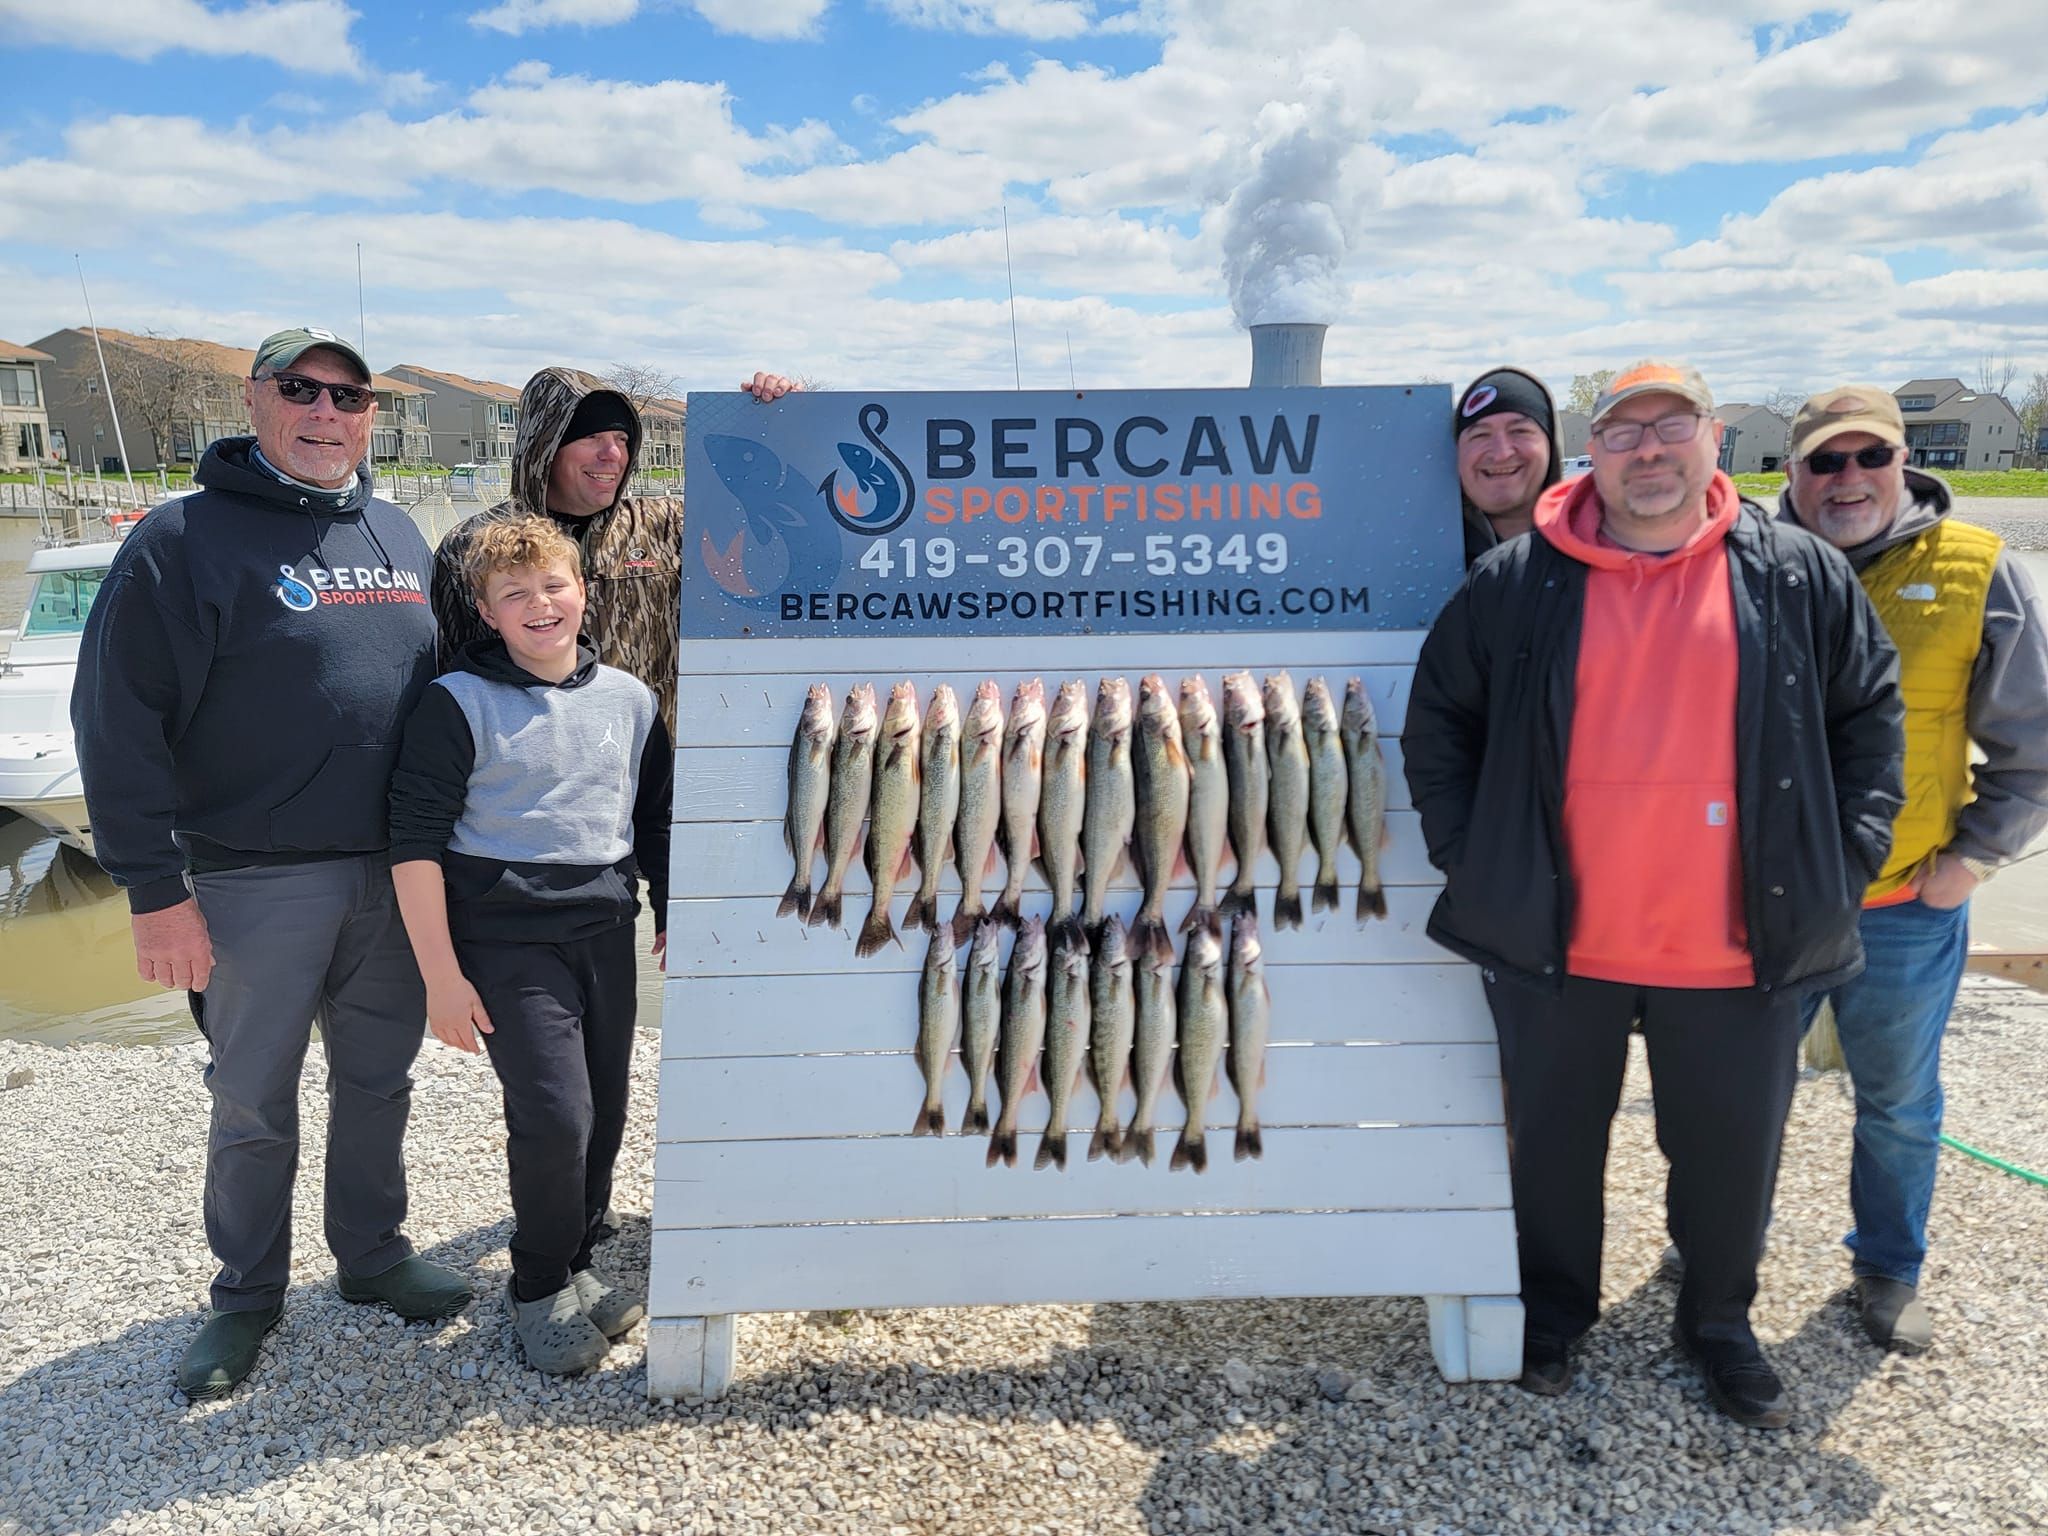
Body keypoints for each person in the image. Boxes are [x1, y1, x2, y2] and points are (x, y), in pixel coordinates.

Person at [1404, 360, 1905, 1429]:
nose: (1646, 452)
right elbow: (1438, 724)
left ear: (1710, 441)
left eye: (1667, 428)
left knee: (1730, 1154)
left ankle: (1718, 1321)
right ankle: (1552, 1312)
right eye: (1622, 433)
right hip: (1557, 938)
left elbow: (1869, 718)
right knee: (1549, 1145)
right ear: (1593, 452)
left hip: (1736, 943)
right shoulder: (1518, 581)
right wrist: (1471, 858)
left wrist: (1845, 859)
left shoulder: (1795, 574)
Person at [72, 326, 472, 1400]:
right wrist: (156, 895)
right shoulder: (179, 539)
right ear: (255, 401)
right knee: (252, 1100)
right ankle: (245, 1297)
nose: (327, 413)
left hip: (391, 876)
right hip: (251, 880)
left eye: (351, 397)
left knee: (379, 1081)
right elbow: (116, 723)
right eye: (302, 391)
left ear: (372, 417)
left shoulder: (395, 530)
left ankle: (374, 1257)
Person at [1779, 385, 2048, 1353]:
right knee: (1740, 1091)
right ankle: (1714, 1250)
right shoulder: (1745, 566)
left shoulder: (1978, 570)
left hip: (1902, 902)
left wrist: (1970, 862)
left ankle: (1886, 1268)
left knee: (1895, 1101)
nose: (1845, 478)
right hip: (1765, 905)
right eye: (1822, 460)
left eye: (1867, 457)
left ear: (1902, 463)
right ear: (1794, 473)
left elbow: (2030, 747)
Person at [389, 516, 671, 1373]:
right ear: (486, 609)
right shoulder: (455, 702)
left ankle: (580, 1260)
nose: (539, 605)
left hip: (604, 930)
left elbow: (653, 818)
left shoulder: (631, 697)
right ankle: (538, 1282)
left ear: (583, 591)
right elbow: (413, 844)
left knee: (607, 1113)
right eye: (515, 595)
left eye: (553, 586)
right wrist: (440, 977)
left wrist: (673, 908)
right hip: (504, 939)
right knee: (555, 1115)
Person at [431, 368, 797, 737]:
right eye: (592, 437)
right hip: (541, 785)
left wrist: (779, 418)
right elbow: (457, 689)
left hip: (656, 779)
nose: (613, 454)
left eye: (622, 438)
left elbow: (775, 535)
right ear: (545, 447)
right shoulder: (470, 546)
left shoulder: (667, 526)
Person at [1454, 367, 1562, 565]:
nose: (1501, 454)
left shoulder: (1598, 548)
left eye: (1519, 431)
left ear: (1550, 446)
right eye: (1480, 435)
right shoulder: (1426, 558)